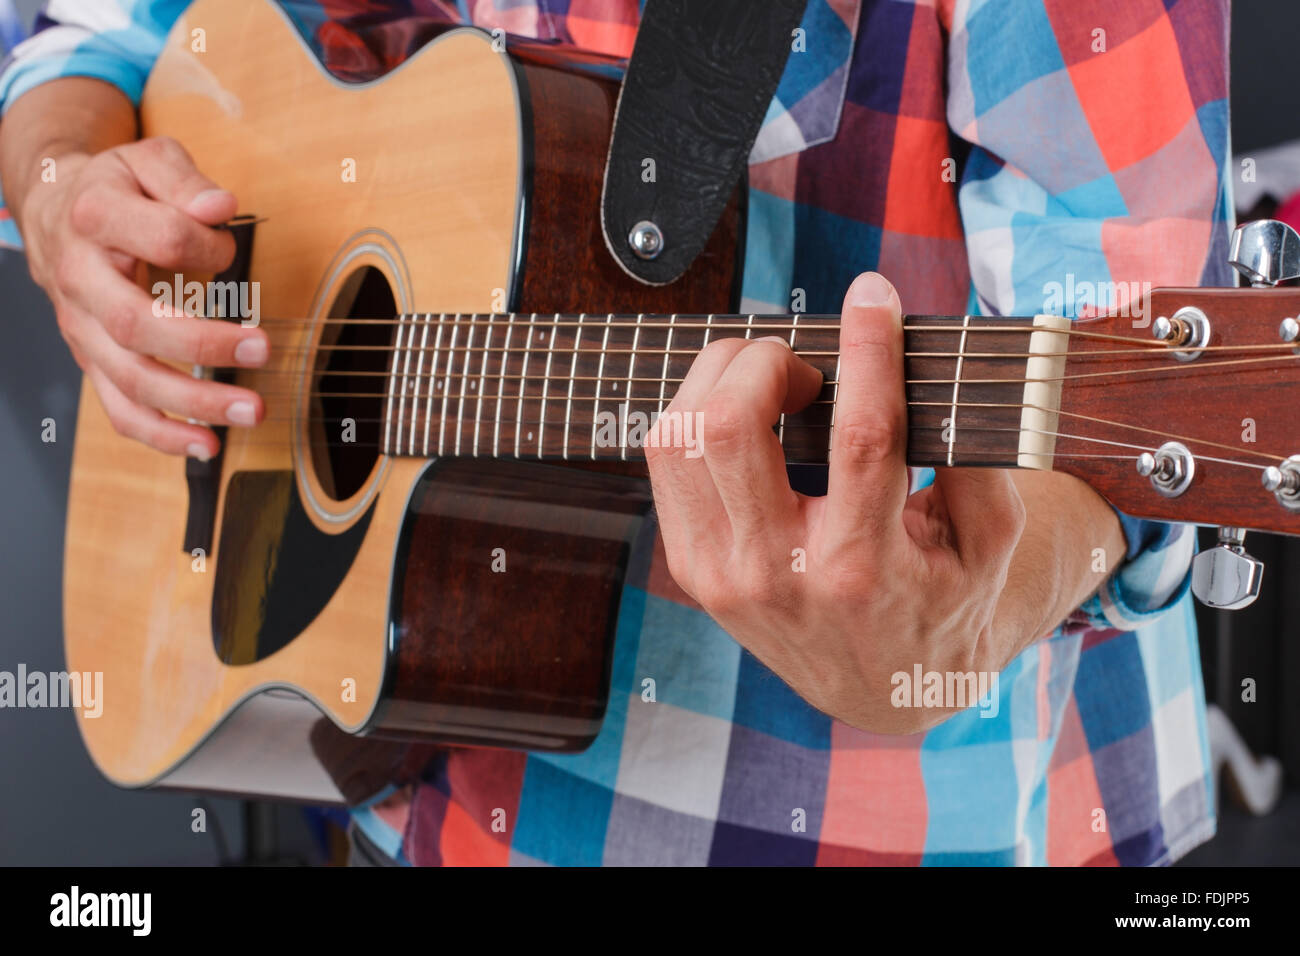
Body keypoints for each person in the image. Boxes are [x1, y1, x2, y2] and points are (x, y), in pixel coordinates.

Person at [0, 0, 1227, 866]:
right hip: (402, 785)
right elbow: (93, 32)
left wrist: (970, 615)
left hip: (884, 823)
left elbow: (1147, 378)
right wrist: (62, 190)